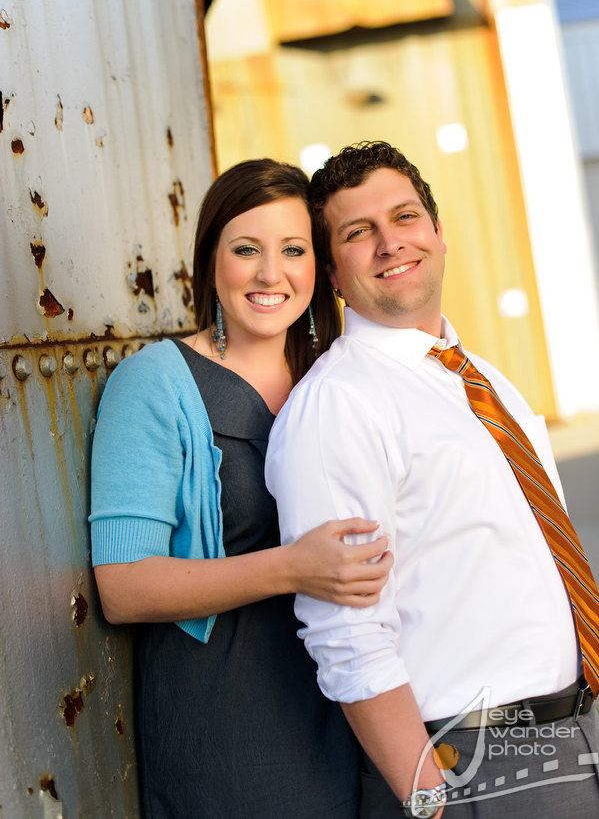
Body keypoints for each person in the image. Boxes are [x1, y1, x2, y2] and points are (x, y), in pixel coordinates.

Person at [265, 141, 599, 818]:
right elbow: (345, 631)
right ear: (332, 270)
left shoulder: (477, 376)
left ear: (438, 233)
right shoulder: (340, 403)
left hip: (575, 733)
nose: (391, 243)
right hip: (481, 766)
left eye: (405, 217)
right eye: (359, 234)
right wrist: (428, 800)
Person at [88, 157, 393, 819]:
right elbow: (123, 585)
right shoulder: (156, 385)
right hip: (236, 736)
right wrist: (292, 568)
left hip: (370, 708)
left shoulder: (343, 380)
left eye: (292, 250)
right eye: (245, 250)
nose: (269, 273)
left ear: (319, 267)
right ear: (210, 261)